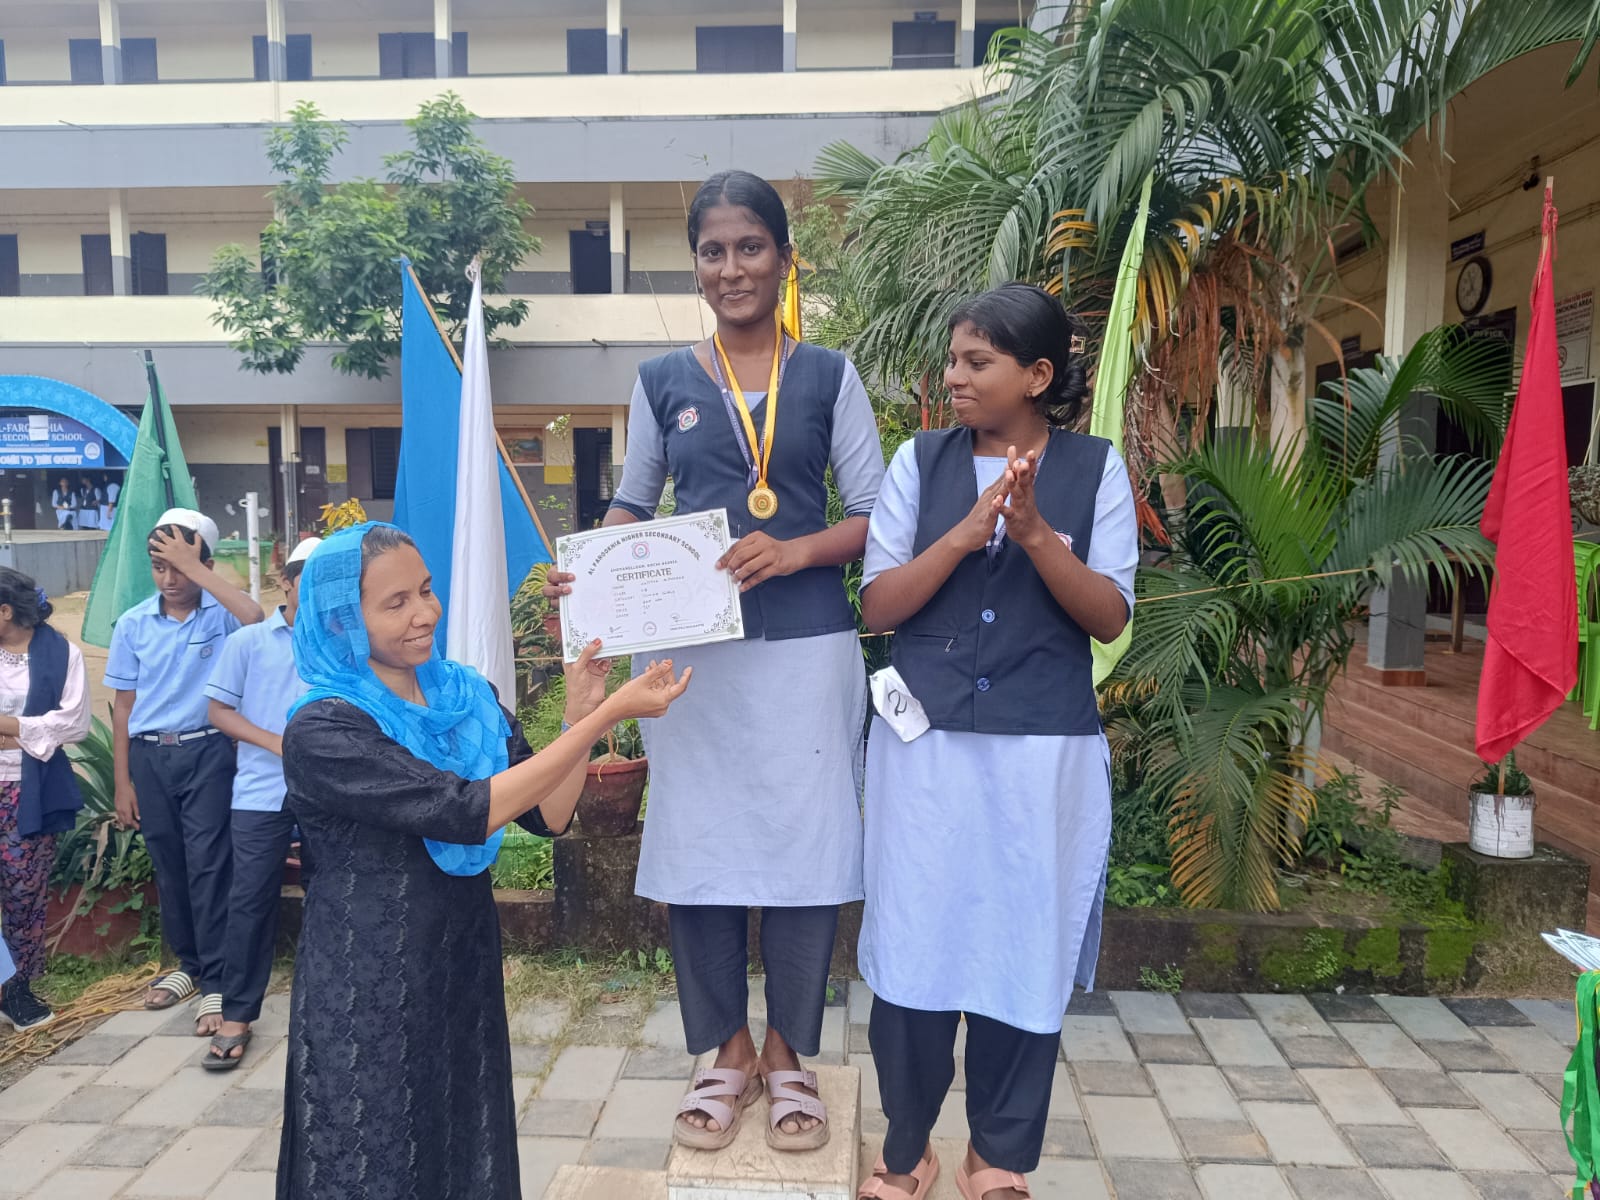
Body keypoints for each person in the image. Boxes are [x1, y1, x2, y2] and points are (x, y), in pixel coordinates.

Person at [543, 170, 885, 1152]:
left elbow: (874, 515)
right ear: (696, 264)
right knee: (698, 847)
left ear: (783, 259)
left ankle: (789, 1051)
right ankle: (725, 1049)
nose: (731, 268)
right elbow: (633, 500)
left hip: (808, 646)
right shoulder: (662, 381)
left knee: (806, 850)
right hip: (690, 655)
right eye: (712, 251)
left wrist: (797, 551)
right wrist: (589, 572)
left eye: (749, 248)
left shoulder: (830, 375)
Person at [276, 523, 689, 1199]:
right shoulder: (323, 728)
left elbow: (548, 815)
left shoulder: (463, 698)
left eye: (426, 590)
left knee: (462, 1138)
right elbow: (466, 810)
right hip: (366, 981)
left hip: (458, 961)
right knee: (371, 1150)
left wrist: (579, 711)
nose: (424, 613)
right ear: (343, 620)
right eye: (395, 603)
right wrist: (605, 717)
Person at [853, 284, 1138, 1200]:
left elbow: (1110, 616)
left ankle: (997, 1155)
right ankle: (907, 1148)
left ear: (1038, 375)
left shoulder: (1095, 470)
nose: (955, 377)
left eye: (977, 361)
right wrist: (966, 534)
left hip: (1041, 756)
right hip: (924, 755)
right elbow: (879, 605)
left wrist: (1037, 535)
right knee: (915, 942)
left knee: (1023, 943)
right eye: (953, 359)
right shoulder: (918, 462)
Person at [106, 507, 265, 1034]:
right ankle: (189, 965)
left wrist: (196, 568)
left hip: (208, 753)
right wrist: (122, 782)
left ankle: (218, 978)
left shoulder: (221, 616)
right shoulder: (134, 624)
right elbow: (123, 707)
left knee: (209, 862)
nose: (170, 580)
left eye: (180, 567)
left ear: (205, 566)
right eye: (160, 567)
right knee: (169, 862)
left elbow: (255, 617)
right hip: (151, 756)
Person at [200, 536, 321, 1070]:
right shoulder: (248, 642)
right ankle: (236, 1014)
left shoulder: (344, 641)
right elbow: (218, 712)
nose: (314, 593)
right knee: (249, 899)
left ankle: (325, 1002)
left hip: (328, 792)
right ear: (286, 584)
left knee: (330, 893)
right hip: (261, 791)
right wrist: (278, 743)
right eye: (305, 582)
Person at [0, 570, 91, 1030]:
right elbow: (51, 728)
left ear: (5, 611)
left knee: (23, 893)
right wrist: (35, 732)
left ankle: (16, 990)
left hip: (29, 790)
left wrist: (11, 729)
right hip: (25, 769)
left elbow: (74, 724)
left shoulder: (63, 654)